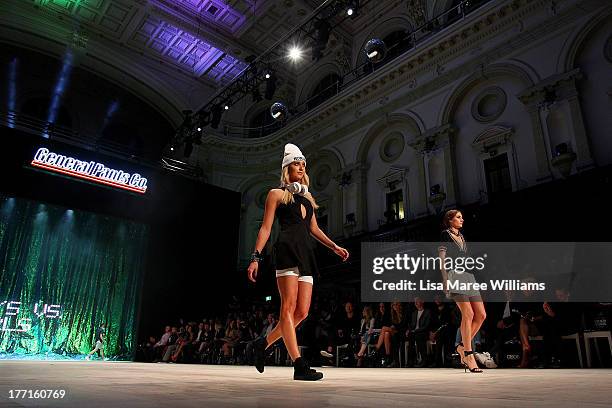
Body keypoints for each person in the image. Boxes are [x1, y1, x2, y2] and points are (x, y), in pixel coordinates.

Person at [247, 143, 349, 381]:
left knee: (302, 312)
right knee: (288, 308)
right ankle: (299, 365)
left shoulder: (308, 199)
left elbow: (314, 229)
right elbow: (265, 228)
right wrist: (255, 257)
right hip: (286, 250)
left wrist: (334, 247)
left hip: (306, 254)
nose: (301, 167)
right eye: (296, 163)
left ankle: (261, 345)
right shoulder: (276, 194)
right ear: (286, 169)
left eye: (303, 164)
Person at [438, 209, 486, 373]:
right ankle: (468, 354)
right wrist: (445, 280)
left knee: (481, 315)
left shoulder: (462, 236)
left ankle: (460, 347)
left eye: (462, 217)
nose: (462, 219)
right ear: (450, 220)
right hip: (454, 276)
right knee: (468, 314)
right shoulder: (445, 235)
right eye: (458, 217)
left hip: (468, 276)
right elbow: (442, 260)